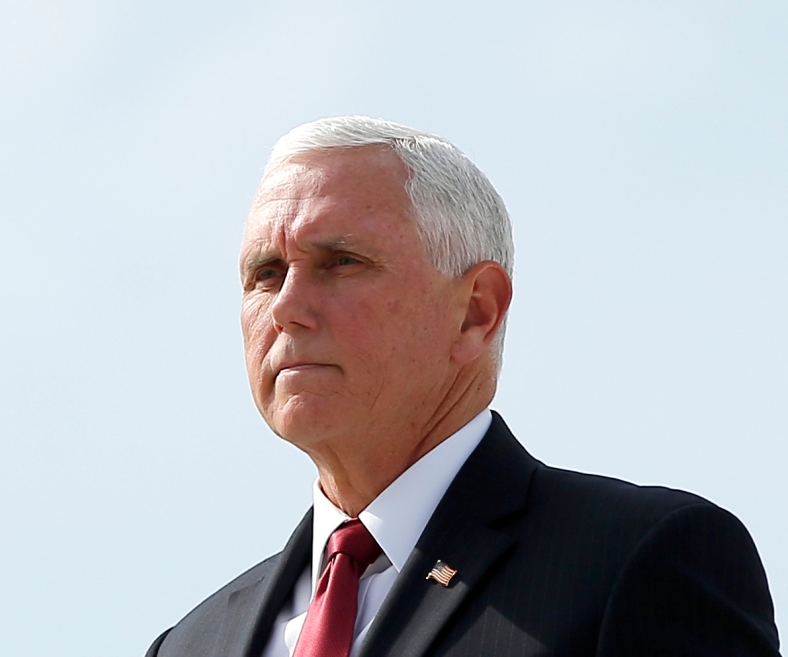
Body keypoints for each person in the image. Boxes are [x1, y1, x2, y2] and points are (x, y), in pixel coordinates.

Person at [146, 116, 780, 657]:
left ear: (477, 310)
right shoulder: (191, 643)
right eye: (265, 272)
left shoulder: (640, 561)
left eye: (342, 262)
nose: (286, 307)